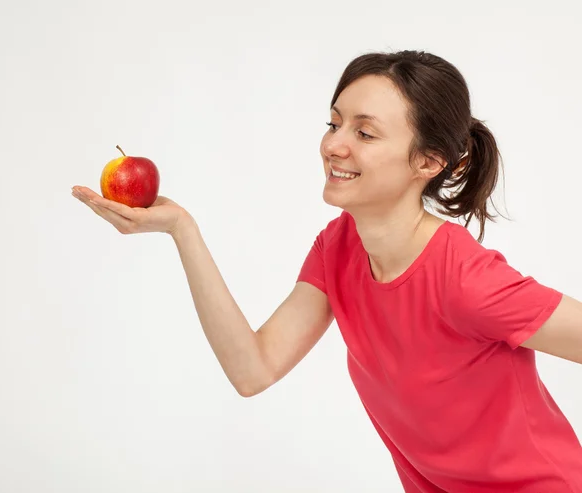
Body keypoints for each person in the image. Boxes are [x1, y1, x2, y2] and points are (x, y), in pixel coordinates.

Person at [71, 50, 582, 492]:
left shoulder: (465, 278)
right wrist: (182, 229)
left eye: (365, 132)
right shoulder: (338, 248)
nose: (335, 145)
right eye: (334, 123)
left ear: (428, 162)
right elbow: (254, 369)